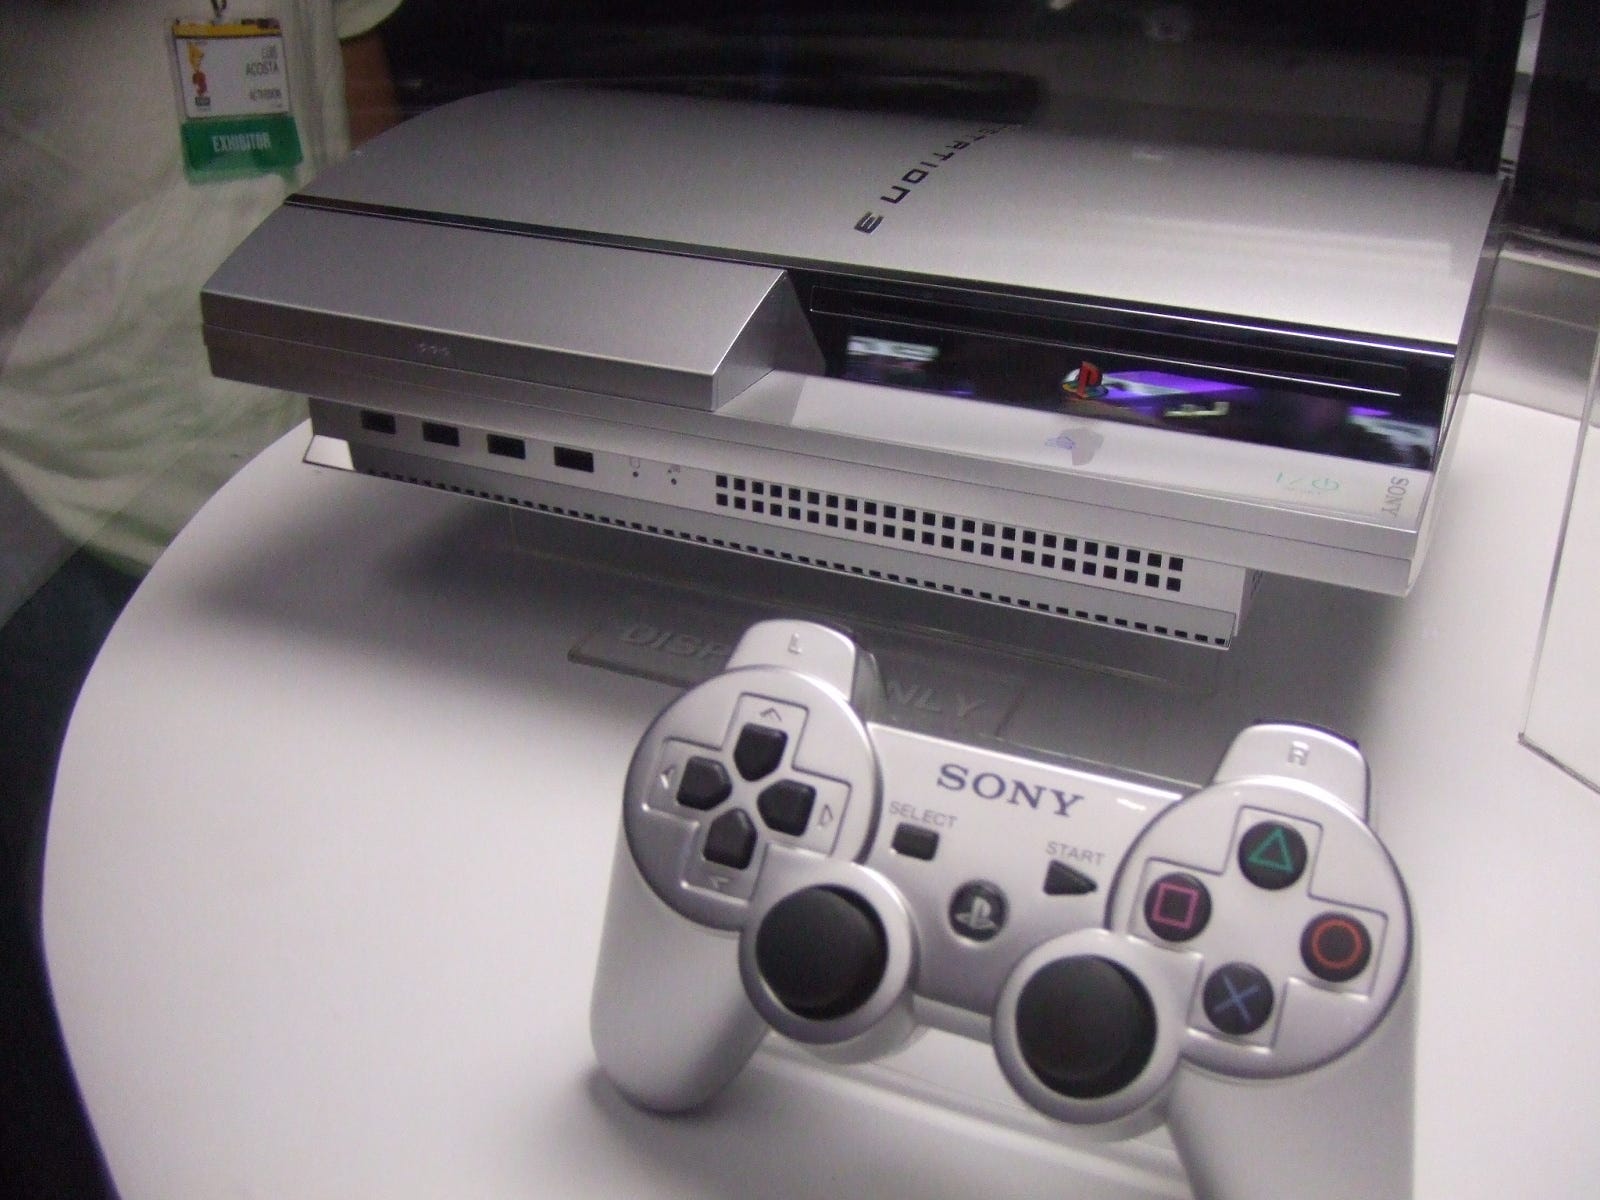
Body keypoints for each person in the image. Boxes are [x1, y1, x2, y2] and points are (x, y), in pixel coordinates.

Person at [0, 3, 400, 1193]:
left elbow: (363, 90)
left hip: (307, 476)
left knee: (288, 915)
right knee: (84, 962)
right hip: (67, 495)